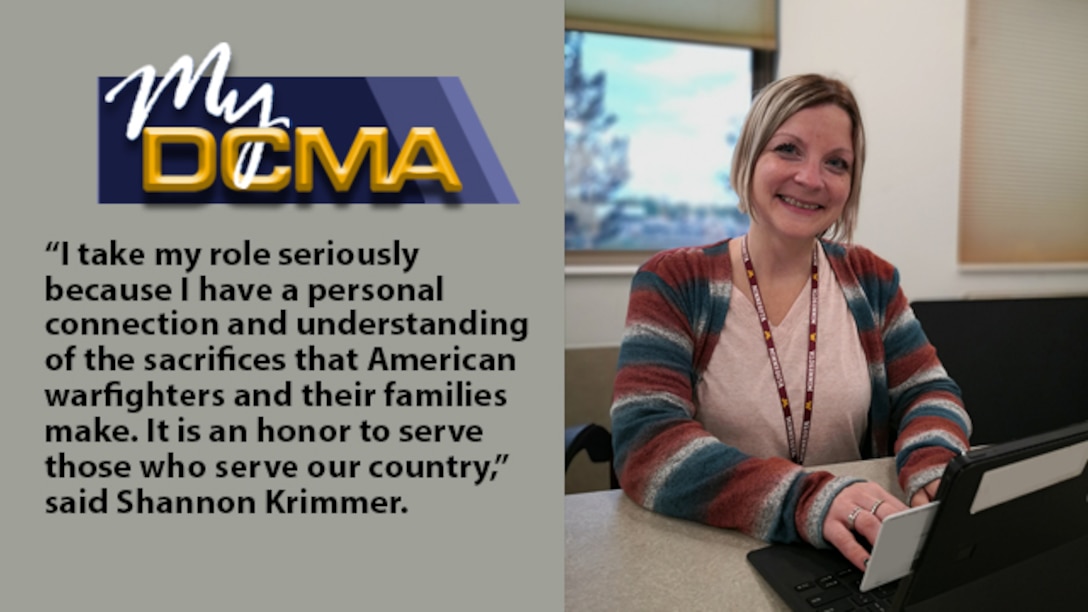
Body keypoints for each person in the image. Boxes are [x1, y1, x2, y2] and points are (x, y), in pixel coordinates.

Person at [609, 73, 971, 571]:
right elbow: (646, 443)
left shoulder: (872, 279)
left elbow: (929, 391)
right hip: (711, 552)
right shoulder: (675, 280)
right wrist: (805, 499)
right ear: (750, 158)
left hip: (850, 552)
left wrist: (932, 458)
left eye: (836, 163)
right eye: (788, 149)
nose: (811, 179)